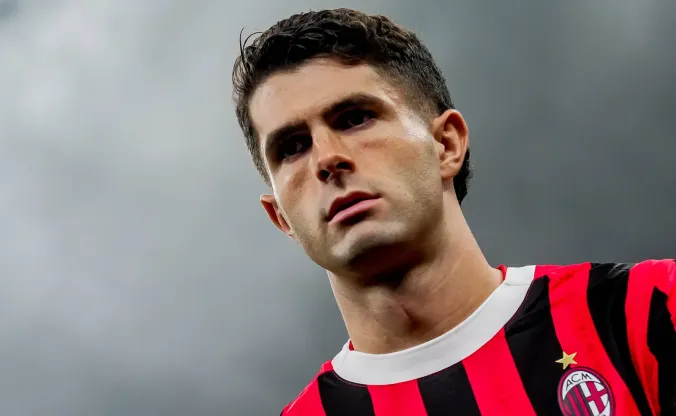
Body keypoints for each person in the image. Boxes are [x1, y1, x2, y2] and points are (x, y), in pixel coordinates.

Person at [231, 8, 675, 416]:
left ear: (447, 144)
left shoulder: (648, 308)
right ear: (281, 218)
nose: (326, 159)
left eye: (354, 118)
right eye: (292, 147)